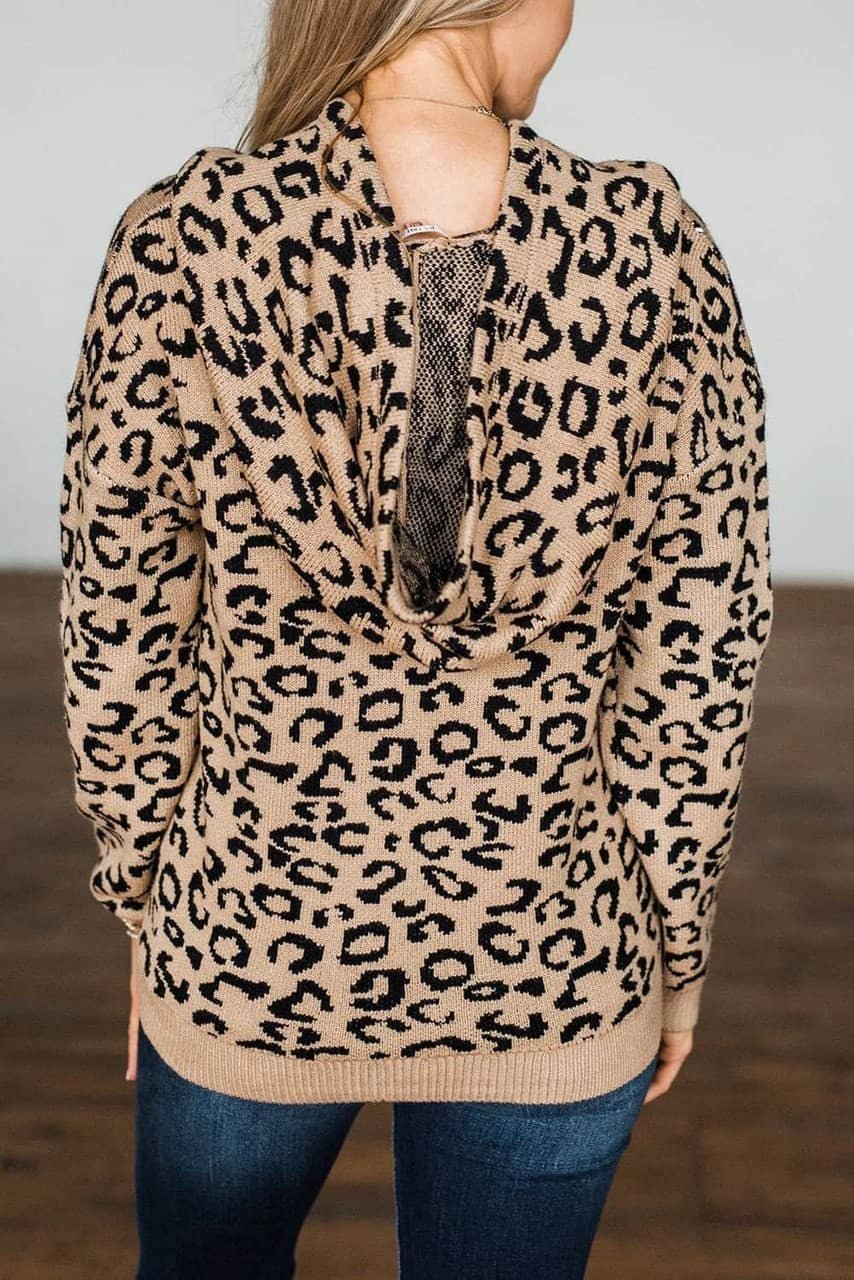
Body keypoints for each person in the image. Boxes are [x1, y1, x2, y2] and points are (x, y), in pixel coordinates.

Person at [58, 0, 774, 1275]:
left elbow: (118, 632)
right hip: (556, 953)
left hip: (249, 941)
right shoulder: (653, 248)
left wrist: (153, 907)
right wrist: (674, 949)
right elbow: (700, 659)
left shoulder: (184, 237)